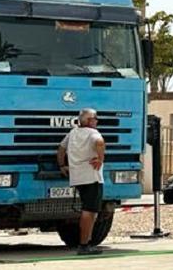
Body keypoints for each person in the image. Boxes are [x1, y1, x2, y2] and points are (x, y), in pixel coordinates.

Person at [56, 108, 106, 255]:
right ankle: (84, 245)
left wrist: (62, 165)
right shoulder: (93, 133)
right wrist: (100, 159)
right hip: (92, 176)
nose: (97, 120)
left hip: (77, 176)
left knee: (89, 209)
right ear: (89, 121)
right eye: (95, 118)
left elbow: (61, 149)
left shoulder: (73, 133)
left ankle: (87, 242)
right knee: (89, 211)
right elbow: (100, 142)